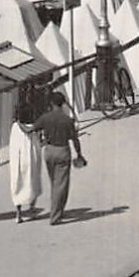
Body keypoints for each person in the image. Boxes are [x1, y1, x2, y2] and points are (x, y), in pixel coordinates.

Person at [37, 91, 85, 226]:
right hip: (63, 151)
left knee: (54, 182)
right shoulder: (68, 120)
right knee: (61, 184)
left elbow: (34, 128)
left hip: (49, 151)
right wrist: (79, 154)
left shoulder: (45, 118)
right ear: (63, 103)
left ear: (51, 103)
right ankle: (56, 214)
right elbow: (75, 139)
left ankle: (56, 209)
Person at [8, 101, 44, 224]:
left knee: (18, 181)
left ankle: (18, 213)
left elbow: (13, 146)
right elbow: (39, 143)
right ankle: (32, 208)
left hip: (19, 158)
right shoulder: (34, 127)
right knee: (33, 180)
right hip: (32, 157)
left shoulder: (15, 127)